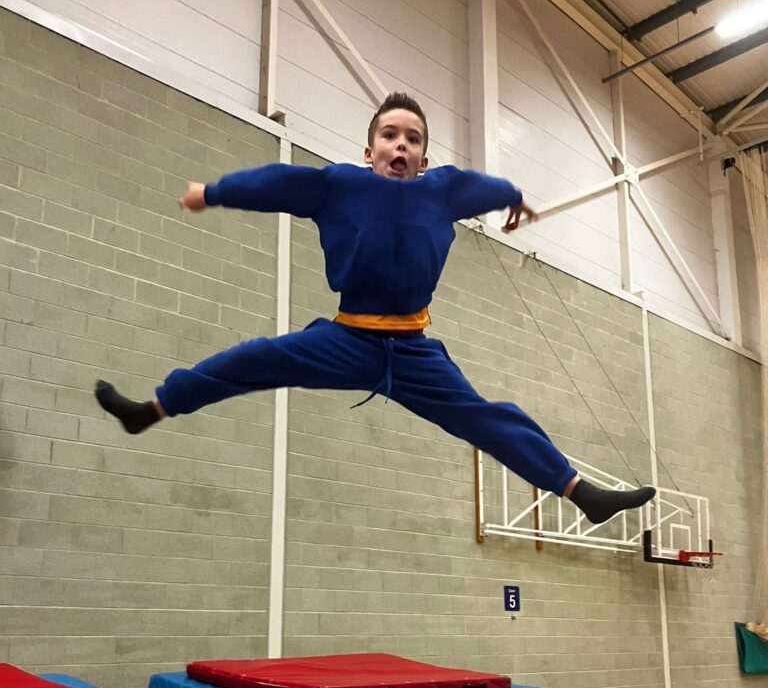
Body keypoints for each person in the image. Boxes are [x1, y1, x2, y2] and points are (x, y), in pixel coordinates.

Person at [96, 92, 655, 526]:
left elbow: (483, 186)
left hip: (414, 354)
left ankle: (582, 493)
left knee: (490, 417)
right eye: (389, 136)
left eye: (412, 139)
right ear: (370, 152)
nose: (400, 146)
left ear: (424, 158)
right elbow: (277, 184)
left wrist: (510, 195)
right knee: (252, 359)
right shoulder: (339, 186)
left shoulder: (443, 190)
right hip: (347, 341)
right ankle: (153, 408)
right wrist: (214, 192)